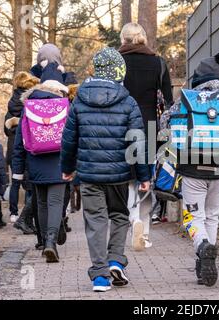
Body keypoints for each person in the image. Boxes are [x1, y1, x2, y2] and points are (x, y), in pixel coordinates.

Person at [61, 47, 151, 292]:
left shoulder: (79, 100)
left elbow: (69, 138)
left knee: (96, 222)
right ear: (119, 70)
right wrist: (144, 175)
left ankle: (100, 276)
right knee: (120, 217)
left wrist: (67, 168)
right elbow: (137, 140)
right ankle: (115, 261)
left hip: (89, 175)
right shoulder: (128, 101)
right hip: (119, 175)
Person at [162, 52, 219, 287]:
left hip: (191, 166)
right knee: (212, 216)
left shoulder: (188, 97)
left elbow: (166, 121)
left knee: (192, 216)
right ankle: (206, 261)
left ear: (199, 75)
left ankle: (203, 247)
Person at [119, 22, 174, 249]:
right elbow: (169, 101)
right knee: (146, 179)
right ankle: (145, 230)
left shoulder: (117, 62)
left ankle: (133, 219)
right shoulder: (158, 63)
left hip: (122, 126)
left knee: (128, 178)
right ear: (142, 38)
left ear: (124, 39)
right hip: (150, 126)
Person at [12, 61, 69, 263]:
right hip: (59, 161)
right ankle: (52, 242)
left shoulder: (29, 106)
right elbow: (72, 137)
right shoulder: (64, 105)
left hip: (35, 162)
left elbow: (19, 142)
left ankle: (45, 242)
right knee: (55, 203)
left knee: (42, 204)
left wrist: (17, 172)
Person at [4, 71, 39, 225]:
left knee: (15, 182)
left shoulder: (10, 105)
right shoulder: (30, 102)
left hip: (13, 148)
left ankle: (13, 212)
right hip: (27, 147)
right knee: (30, 183)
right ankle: (27, 215)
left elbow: (6, 130)